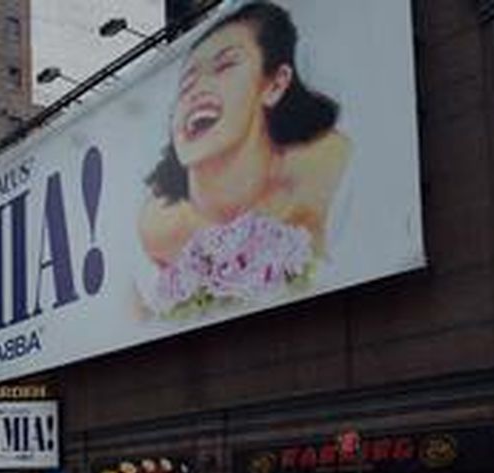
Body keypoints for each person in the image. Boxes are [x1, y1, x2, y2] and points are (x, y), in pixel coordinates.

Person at [138, 2, 351, 315]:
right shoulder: (160, 228)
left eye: (224, 67)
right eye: (186, 83)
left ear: (275, 84)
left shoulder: (328, 172)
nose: (197, 91)